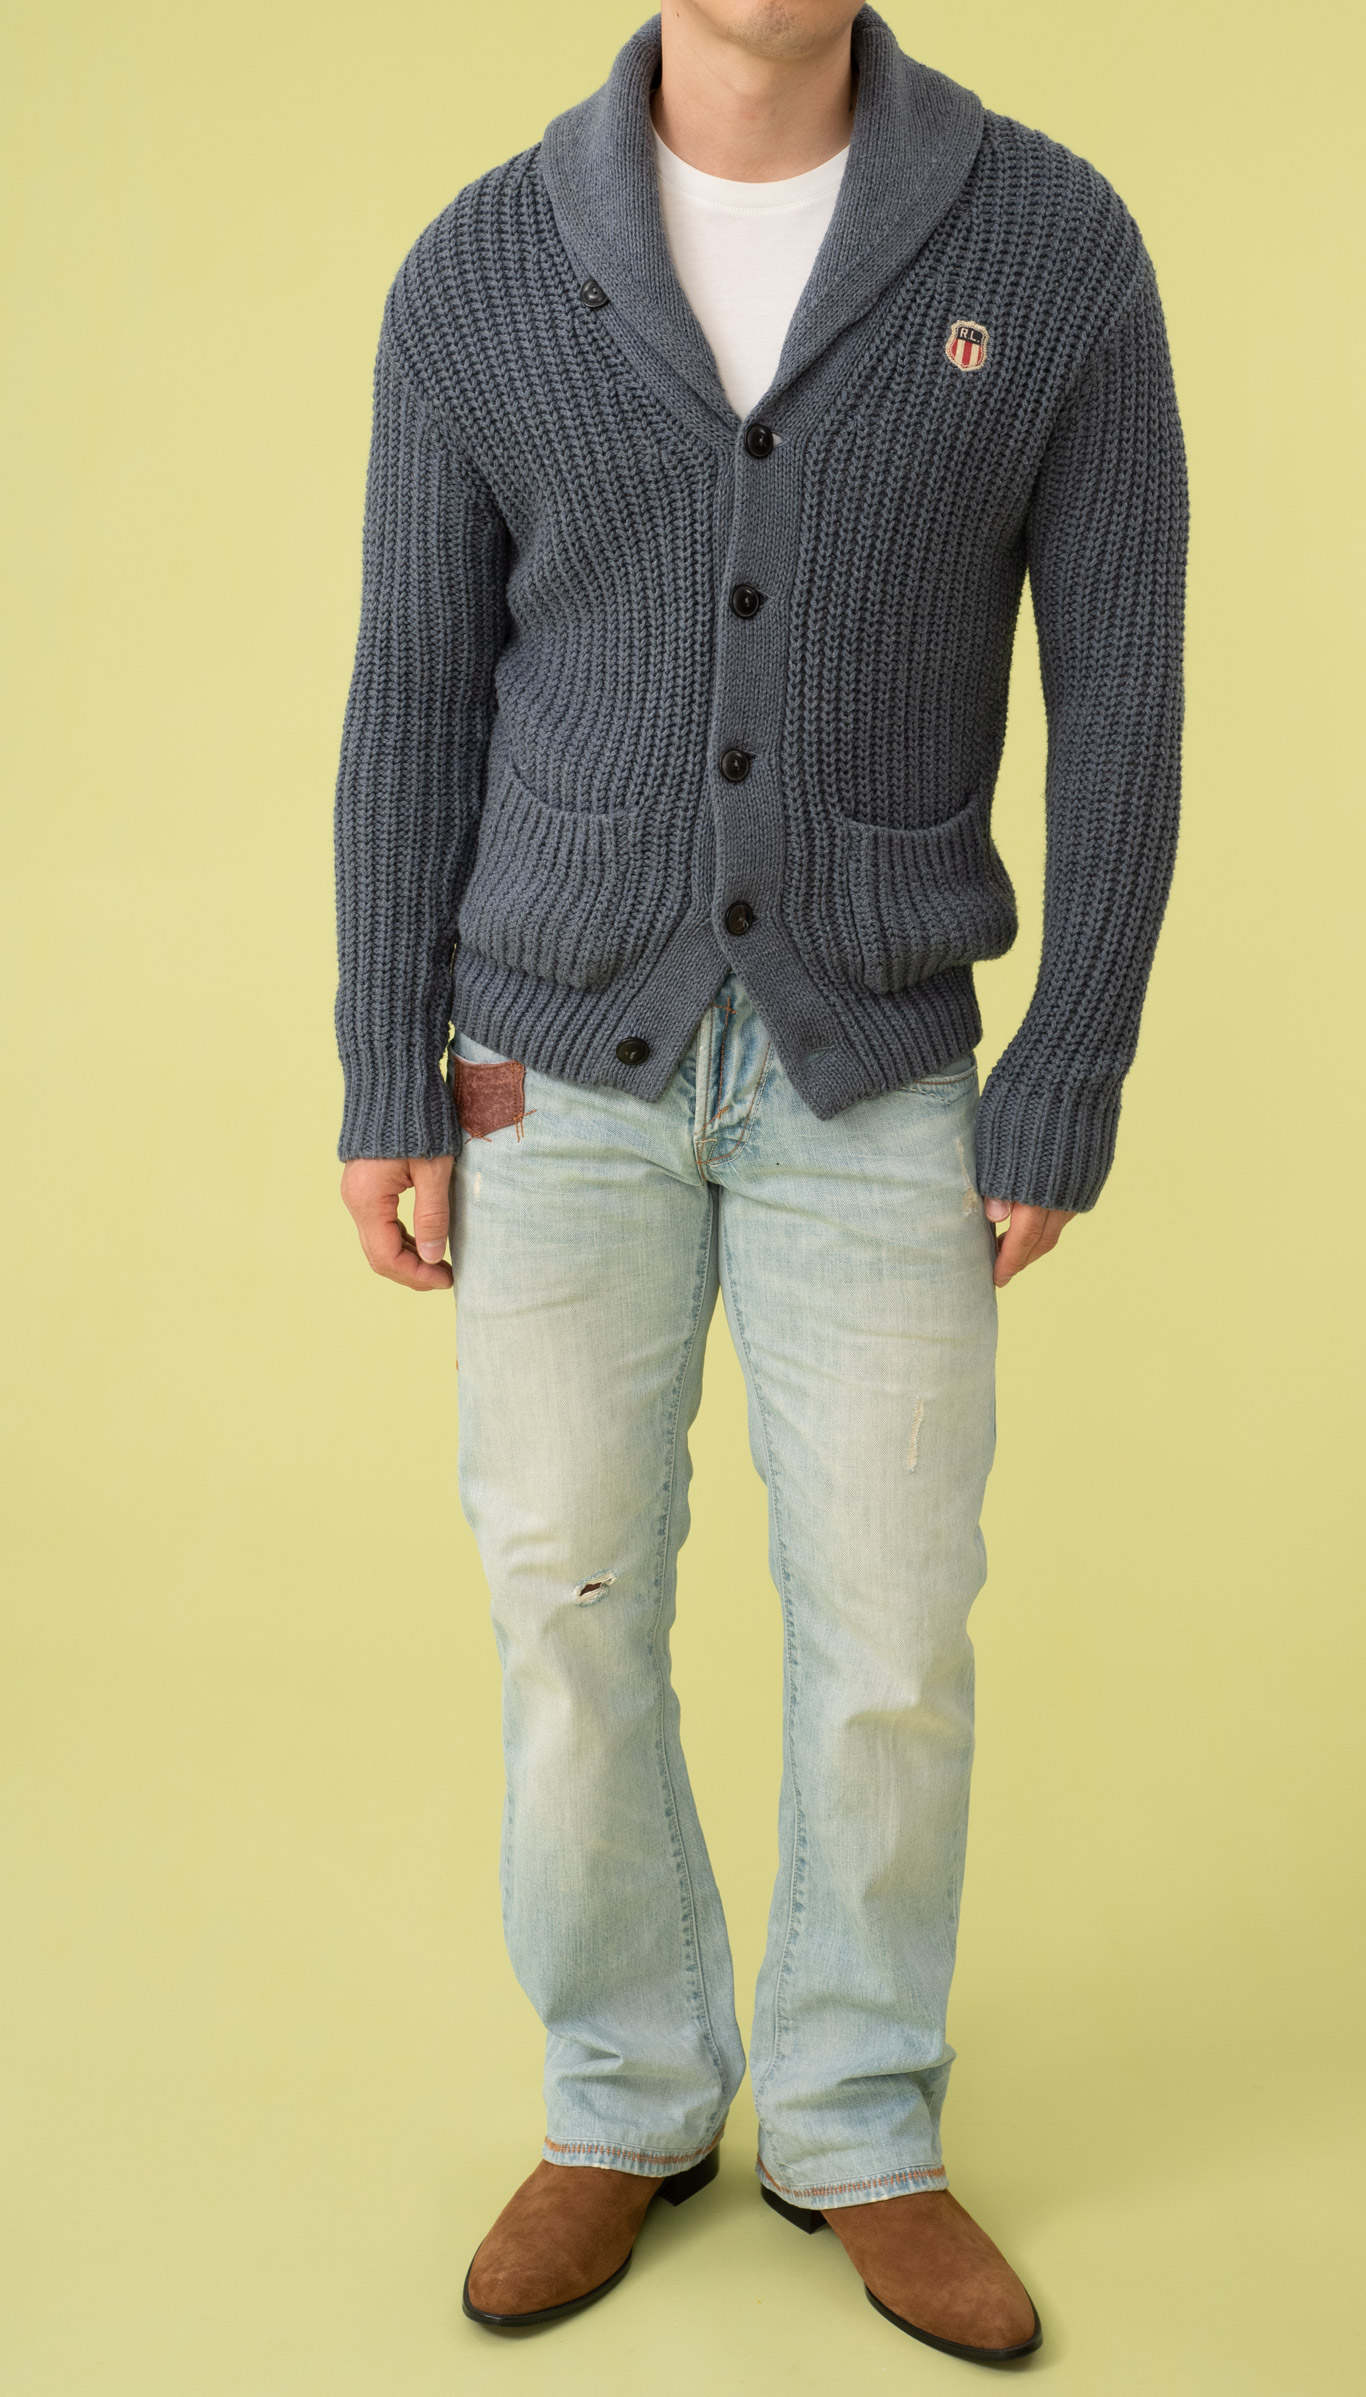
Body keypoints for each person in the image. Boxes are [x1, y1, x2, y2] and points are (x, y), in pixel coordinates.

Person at [334, 0, 1185, 2365]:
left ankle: (854, 2116)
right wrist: (380, 1066)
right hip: (544, 1058)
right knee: (565, 1601)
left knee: (892, 1629)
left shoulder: (1046, 247)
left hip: (879, 1059)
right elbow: (414, 682)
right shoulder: (483, 268)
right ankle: (621, 2094)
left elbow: (1122, 683)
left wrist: (1066, 1067)